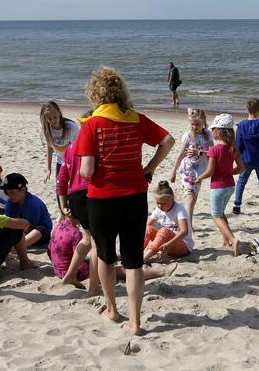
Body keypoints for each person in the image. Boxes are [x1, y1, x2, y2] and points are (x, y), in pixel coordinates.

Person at [76, 65, 174, 336]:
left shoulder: (91, 125)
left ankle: (112, 309)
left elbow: (85, 171)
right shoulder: (137, 119)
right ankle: (135, 322)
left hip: (102, 198)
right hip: (134, 197)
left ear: (95, 95)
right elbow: (167, 140)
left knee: (105, 257)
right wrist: (149, 169)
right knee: (134, 261)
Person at [49, 208, 171, 286]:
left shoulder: (58, 227)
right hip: (73, 273)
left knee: (110, 257)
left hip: (58, 270)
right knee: (117, 270)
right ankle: (160, 273)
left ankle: (129, 257)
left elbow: (49, 250)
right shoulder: (75, 234)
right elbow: (83, 258)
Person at [193, 114, 245, 256]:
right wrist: (229, 172)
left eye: (214, 129)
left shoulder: (214, 150)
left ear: (218, 132)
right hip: (230, 186)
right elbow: (241, 168)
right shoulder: (233, 149)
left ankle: (233, 240)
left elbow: (209, 171)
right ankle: (225, 240)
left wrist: (199, 178)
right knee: (221, 213)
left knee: (215, 216)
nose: (212, 132)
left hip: (218, 186)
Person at [57, 135, 100, 292]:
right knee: (97, 244)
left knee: (87, 239)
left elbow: (61, 179)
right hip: (90, 194)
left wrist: (63, 205)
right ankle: (94, 288)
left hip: (74, 197)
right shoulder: (93, 143)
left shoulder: (69, 148)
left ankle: (70, 275)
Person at [169, 108, 213, 222]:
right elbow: (181, 154)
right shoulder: (188, 135)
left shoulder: (208, 135)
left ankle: (186, 223)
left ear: (203, 122)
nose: (194, 127)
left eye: (197, 124)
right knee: (190, 197)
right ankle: (187, 226)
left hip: (200, 172)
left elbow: (213, 153)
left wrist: (200, 153)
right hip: (187, 170)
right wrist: (173, 171)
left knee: (193, 199)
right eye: (192, 124)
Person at [232, 98, 259, 216]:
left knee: (241, 182)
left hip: (246, 159)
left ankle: (237, 205)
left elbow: (238, 144)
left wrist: (238, 157)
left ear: (247, 109)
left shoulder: (242, 125)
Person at [40, 101, 80, 208]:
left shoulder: (71, 127)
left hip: (74, 161)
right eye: (49, 118)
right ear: (45, 119)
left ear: (59, 113)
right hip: (61, 161)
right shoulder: (46, 130)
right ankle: (63, 212)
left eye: (54, 116)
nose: (53, 120)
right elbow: (49, 148)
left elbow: (81, 146)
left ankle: (74, 210)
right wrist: (48, 169)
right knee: (60, 187)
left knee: (74, 187)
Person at [0, 173, 53, 250]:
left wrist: (18, 237)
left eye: (12, 192)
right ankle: (15, 246)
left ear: (23, 190)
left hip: (39, 235)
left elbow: (30, 226)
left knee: (40, 229)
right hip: (21, 230)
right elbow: (9, 219)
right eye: (6, 192)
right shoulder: (11, 201)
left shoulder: (32, 203)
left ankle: (17, 247)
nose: (9, 195)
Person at [143, 181, 194, 262]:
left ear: (172, 199)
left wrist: (168, 244)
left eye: (163, 203)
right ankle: (135, 253)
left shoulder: (179, 209)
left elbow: (184, 231)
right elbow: (148, 226)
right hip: (166, 244)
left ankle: (143, 259)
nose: (159, 206)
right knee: (147, 229)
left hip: (183, 246)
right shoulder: (158, 209)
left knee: (164, 230)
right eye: (157, 203)